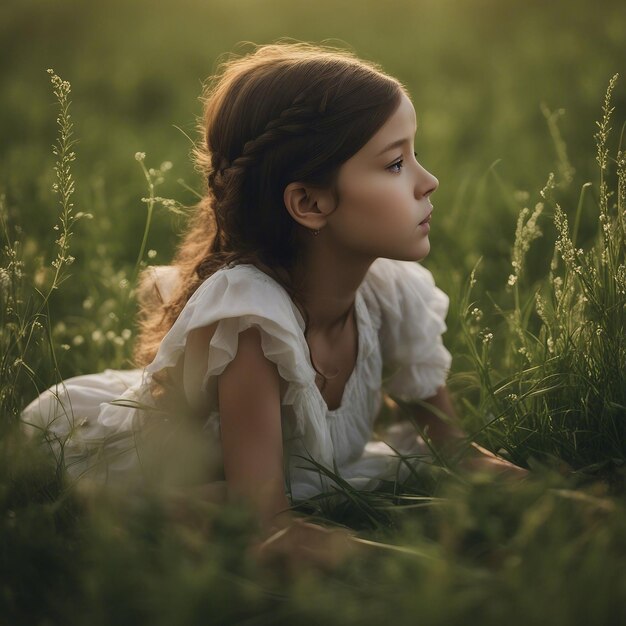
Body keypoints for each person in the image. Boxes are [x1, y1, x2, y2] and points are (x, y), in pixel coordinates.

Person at [21, 42, 525, 572]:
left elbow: (452, 448)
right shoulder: (254, 324)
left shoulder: (391, 292)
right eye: (396, 163)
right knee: (193, 512)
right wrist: (440, 577)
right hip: (93, 449)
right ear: (309, 203)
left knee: (399, 472)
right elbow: (263, 527)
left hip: (262, 483)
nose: (429, 181)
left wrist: (571, 507)